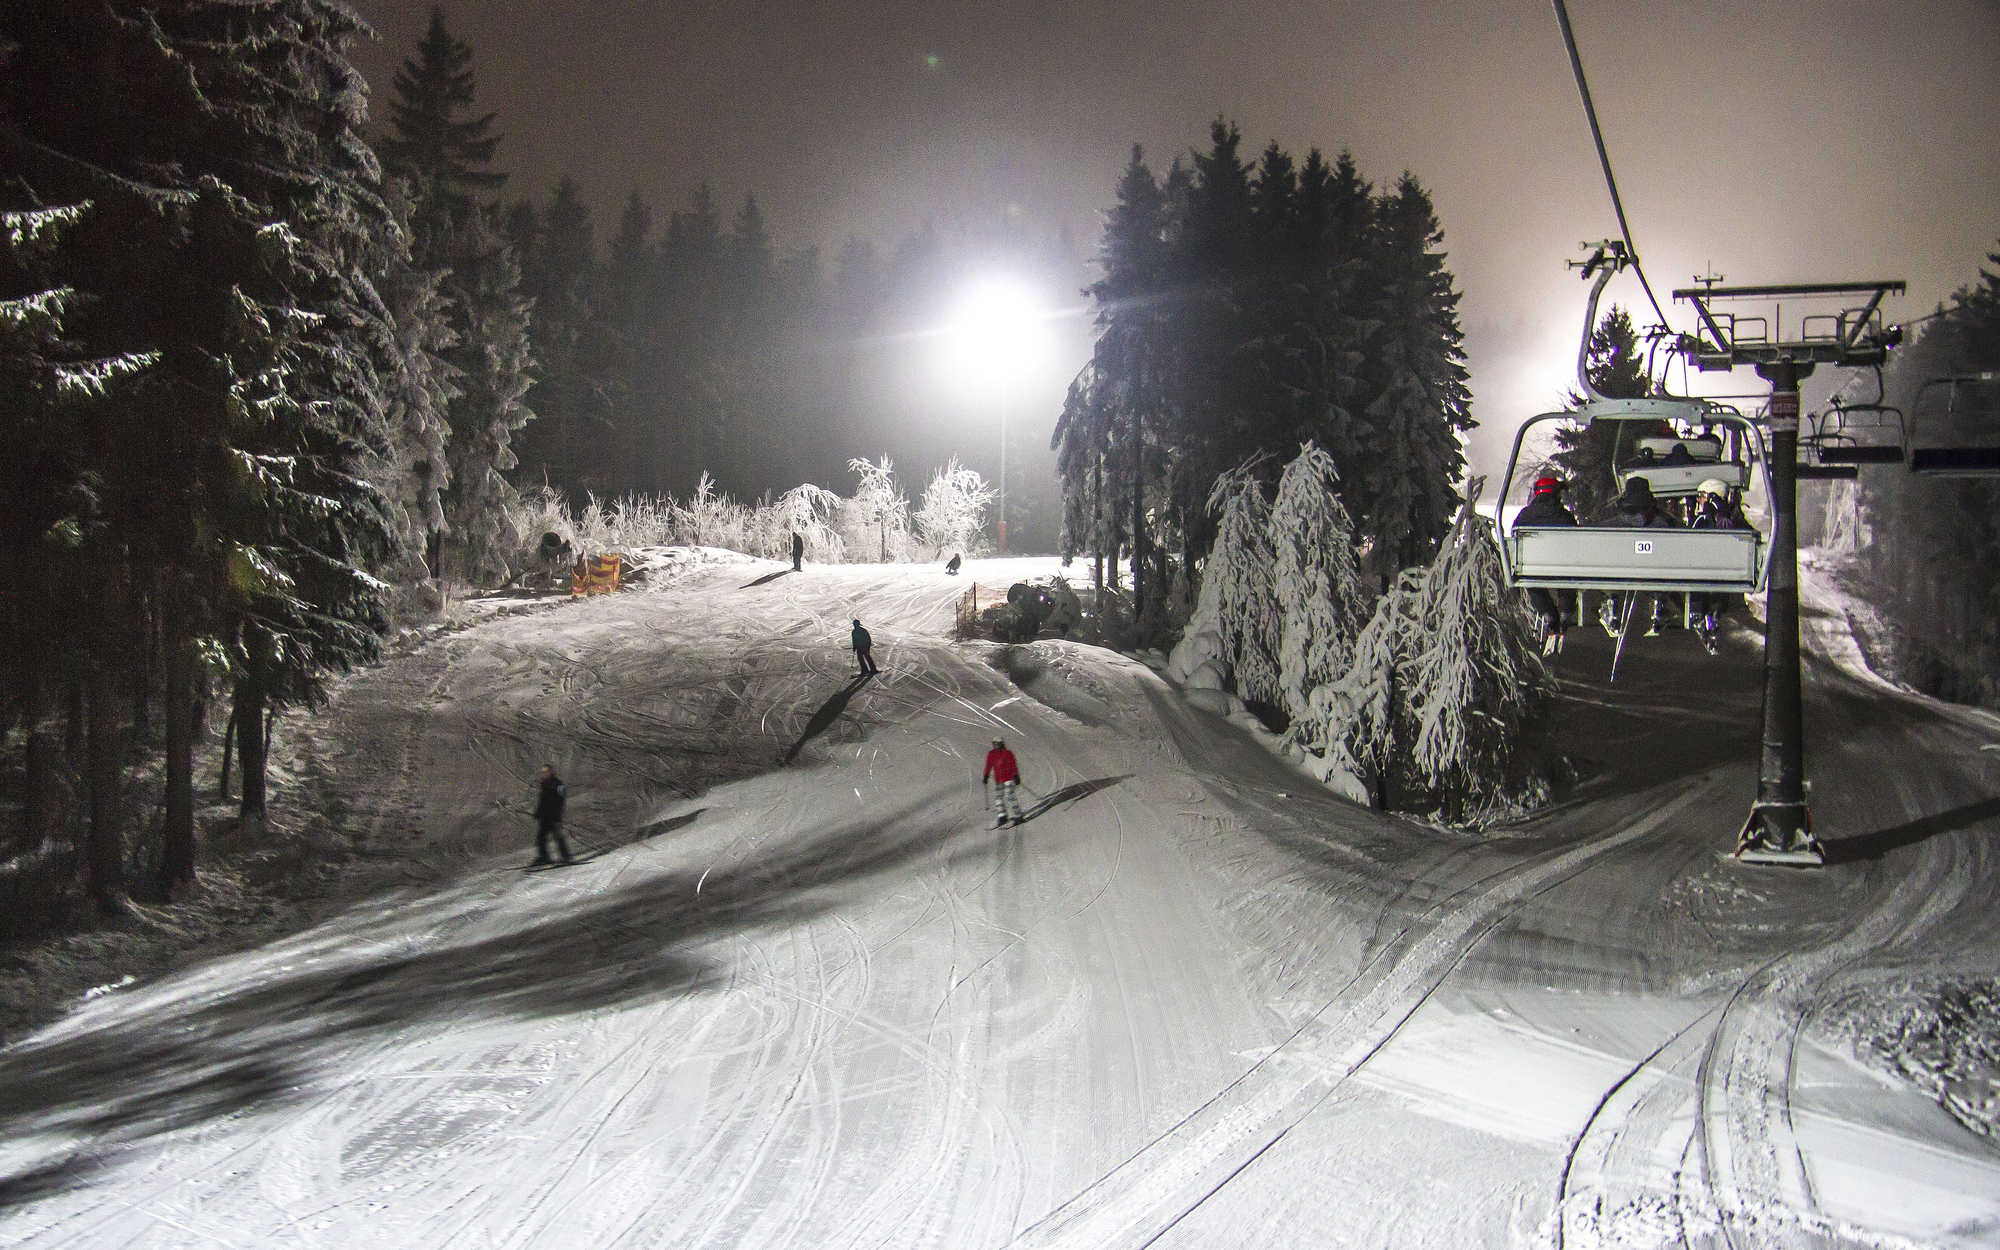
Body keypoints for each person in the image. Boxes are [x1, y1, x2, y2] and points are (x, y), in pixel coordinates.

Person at [1602, 476, 1679, 637]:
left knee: (1608, 574)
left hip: (1619, 568)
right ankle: (1659, 607)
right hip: (1657, 568)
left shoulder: (1615, 522)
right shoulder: (1663, 521)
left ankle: (1611, 608)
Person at [1514, 475, 1578, 653]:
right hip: (1562, 568)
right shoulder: (1565, 516)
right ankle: (1565, 611)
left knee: (1531, 580)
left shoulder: (1524, 516)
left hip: (1532, 567)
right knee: (1567, 577)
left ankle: (1548, 613)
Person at [1688, 477, 1744, 654]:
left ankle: (1710, 619)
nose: (1699, 500)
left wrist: (1720, 511)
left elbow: (1730, 530)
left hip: (1721, 568)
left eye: (1702, 496)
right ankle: (1704, 619)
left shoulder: (1729, 517)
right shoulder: (1702, 519)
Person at [532, 765, 573, 865]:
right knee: (541, 837)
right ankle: (544, 857)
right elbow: (542, 801)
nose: (545, 774)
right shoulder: (544, 784)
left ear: (551, 772)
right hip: (545, 816)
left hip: (553, 816)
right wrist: (538, 812)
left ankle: (566, 856)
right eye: (543, 772)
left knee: (557, 836)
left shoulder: (558, 784)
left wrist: (557, 812)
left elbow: (561, 799)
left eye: (546, 772)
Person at [984, 738, 1022, 827]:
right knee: (998, 798)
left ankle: (1018, 815)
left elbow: (1013, 765)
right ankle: (1002, 816)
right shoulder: (992, 754)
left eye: (997, 744)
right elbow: (988, 765)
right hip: (999, 780)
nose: (996, 745)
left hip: (1009, 778)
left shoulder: (1008, 753)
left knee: (1010, 797)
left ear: (1001, 744)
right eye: (994, 744)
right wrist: (986, 775)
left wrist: (1016, 775)